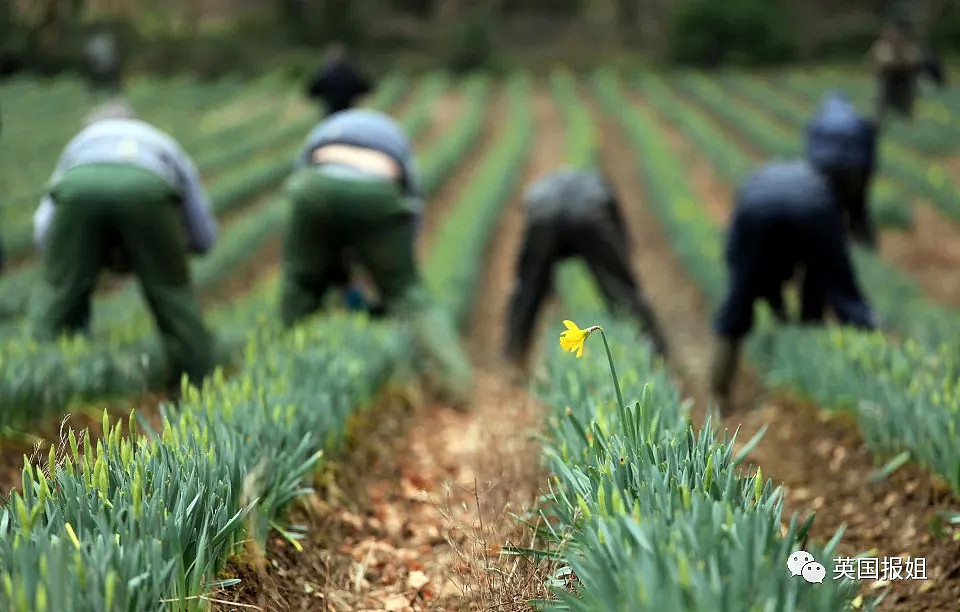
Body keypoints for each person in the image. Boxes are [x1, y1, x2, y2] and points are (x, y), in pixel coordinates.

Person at [280, 108, 472, 404]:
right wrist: (401, 255)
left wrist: (330, 262)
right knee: (409, 294)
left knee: (302, 284)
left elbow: (300, 180)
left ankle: (287, 374)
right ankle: (457, 380)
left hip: (313, 189)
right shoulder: (393, 136)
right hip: (377, 188)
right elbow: (412, 196)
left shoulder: (325, 130)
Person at [709, 92, 879, 414]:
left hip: (753, 206)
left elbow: (746, 262)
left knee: (737, 304)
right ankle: (871, 365)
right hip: (813, 208)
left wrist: (767, 300)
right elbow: (819, 270)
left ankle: (718, 400)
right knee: (838, 290)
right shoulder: (819, 181)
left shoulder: (774, 174)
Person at [31, 101, 218, 390]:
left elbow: (47, 218)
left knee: (61, 295)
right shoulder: (159, 140)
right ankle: (196, 383)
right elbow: (193, 201)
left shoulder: (82, 143)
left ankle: (44, 381)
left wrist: (59, 260)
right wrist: (196, 245)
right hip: (146, 184)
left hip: (80, 184)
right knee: (171, 293)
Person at [503, 168, 669, 370]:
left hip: (544, 219)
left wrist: (544, 285)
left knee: (528, 289)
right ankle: (656, 351)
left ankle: (513, 356)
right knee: (621, 290)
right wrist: (621, 266)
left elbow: (527, 268)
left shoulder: (539, 190)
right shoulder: (599, 186)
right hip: (589, 218)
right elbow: (622, 237)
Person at [869, 19, 922, 123]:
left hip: (905, 83)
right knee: (881, 110)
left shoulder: (908, 47)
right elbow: (879, 64)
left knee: (907, 111)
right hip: (887, 83)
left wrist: (898, 62)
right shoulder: (881, 47)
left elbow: (914, 63)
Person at [305, 43, 373, 116]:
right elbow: (366, 89)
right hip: (348, 113)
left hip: (331, 115)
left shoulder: (325, 76)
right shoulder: (351, 75)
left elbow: (311, 92)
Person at [83, 30, 123, 97]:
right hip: (99, 65)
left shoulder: (100, 43)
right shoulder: (97, 43)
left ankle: (112, 92)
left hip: (104, 65)